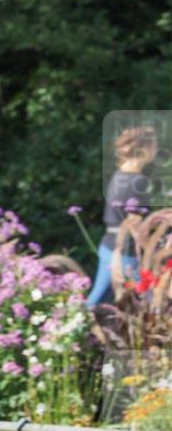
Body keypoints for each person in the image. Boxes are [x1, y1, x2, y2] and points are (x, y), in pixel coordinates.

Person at [86, 125, 158, 308]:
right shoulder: (138, 181)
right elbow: (135, 225)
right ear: (144, 149)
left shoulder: (119, 176)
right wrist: (150, 252)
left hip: (109, 245)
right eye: (154, 146)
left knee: (97, 299)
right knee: (152, 302)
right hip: (126, 252)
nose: (156, 150)